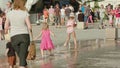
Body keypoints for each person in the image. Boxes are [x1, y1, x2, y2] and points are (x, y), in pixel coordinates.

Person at [5, 0, 32, 68]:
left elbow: (5, 27)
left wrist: (12, 27)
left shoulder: (9, 13)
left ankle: (24, 64)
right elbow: (29, 27)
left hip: (14, 37)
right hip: (24, 36)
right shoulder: (24, 13)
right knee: (22, 58)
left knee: (21, 56)